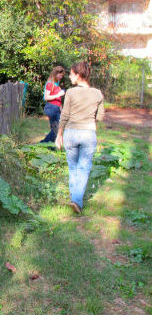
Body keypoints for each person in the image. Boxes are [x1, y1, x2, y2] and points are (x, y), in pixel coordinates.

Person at [55, 61, 105, 214]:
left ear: (78, 75)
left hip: (71, 133)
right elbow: (101, 116)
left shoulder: (70, 92)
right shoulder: (97, 93)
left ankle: (75, 200)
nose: (69, 77)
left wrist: (59, 134)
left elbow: (65, 115)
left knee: (73, 168)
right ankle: (77, 201)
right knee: (83, 168)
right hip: (88, 133)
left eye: (71, 74)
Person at [40, 66, 66, 143]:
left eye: (62, 75)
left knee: (57, 129)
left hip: (56, 108)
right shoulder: (50, 84)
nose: (61, 77)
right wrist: (58, 94)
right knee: (56, 129)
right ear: (56, 73)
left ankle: (51, 145)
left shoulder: (56, 84)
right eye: (60, 75)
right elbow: (46, 97)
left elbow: (59, 99)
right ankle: (44, 143)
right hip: (51, 108)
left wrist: (61, 109)